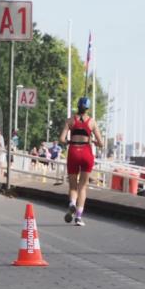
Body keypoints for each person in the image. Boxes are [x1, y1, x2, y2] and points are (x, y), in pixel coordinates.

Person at [59, 96, 104, 226]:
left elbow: (62, 139)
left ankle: (72, 203)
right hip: (86, 153)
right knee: (82, 186)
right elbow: (101, 143)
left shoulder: (70, 121)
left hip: (73, 152)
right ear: (88, 108)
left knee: (73, 185)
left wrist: (69, 141)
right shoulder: (92, 122)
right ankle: (78, 217)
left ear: (77, 106)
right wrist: (94, 142)